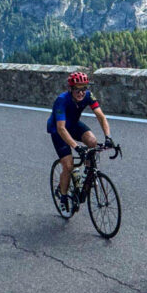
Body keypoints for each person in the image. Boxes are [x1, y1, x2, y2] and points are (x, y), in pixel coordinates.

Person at [47, 71, 115, 213]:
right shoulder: (62, 100)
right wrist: (76, 147)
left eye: (84, 89)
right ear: (70, 89)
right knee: (68, 165)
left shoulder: (88, 95)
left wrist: (108, 137)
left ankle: (87, 175)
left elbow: (101, 116)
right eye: (77, 89)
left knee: (92, 142)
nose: (81, 93)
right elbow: (61, 129)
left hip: (74, 125)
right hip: (59, 130)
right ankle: (64, 197)